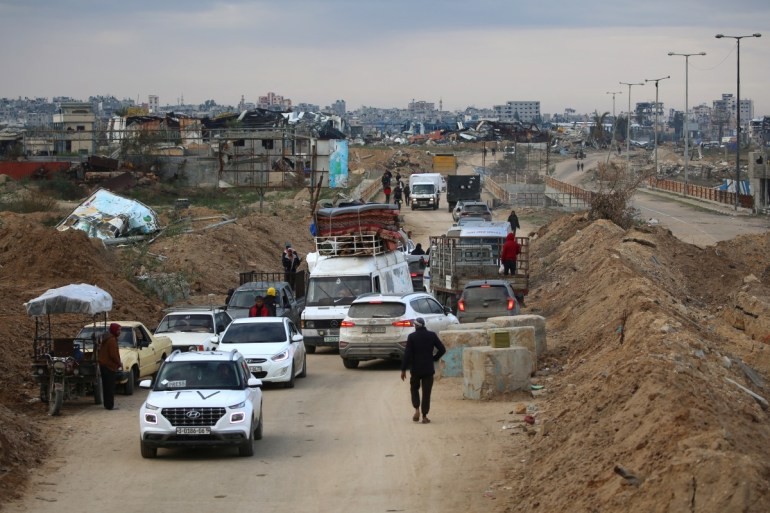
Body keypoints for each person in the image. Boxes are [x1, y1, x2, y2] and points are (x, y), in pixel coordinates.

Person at [400, 317, 446, 424]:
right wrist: (434, 358)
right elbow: (442, 349)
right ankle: (424, 416)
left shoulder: (412, 337)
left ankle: (417, 409)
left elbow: (407, 354)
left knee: (414, 389)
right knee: (426, 393)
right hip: (428, 369)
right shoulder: (432, 335)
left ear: (416, 326)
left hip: (415, 369)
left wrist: (403, 369)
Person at [98, 322, 123, 411]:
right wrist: (119, 363)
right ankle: (109, 405)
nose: (120, 332)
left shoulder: (108, 339)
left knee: (106, 386)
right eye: (118, 330)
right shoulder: (111, 340)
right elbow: (113, 354)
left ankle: (107, 404)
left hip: (104, 365)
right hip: (109, 366)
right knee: (110, 387)